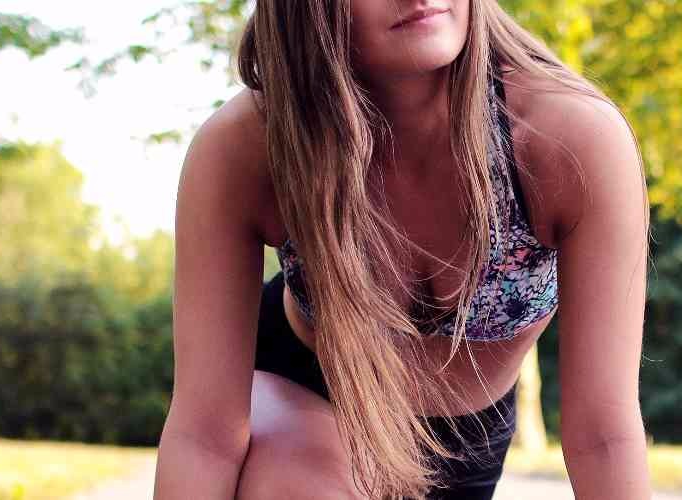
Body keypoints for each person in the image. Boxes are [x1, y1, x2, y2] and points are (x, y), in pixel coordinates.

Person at [154, 1, 651, 498]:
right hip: (301, 396)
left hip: (465, 445)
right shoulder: (247, 146)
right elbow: (206, 436)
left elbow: (603, 438)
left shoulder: (569, 139)